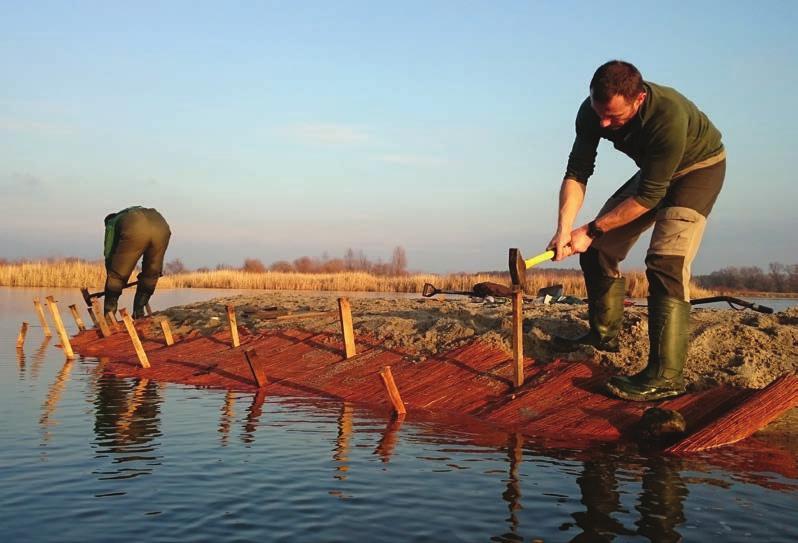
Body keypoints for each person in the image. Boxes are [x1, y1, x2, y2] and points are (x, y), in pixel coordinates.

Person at [547, 60, 725, 401]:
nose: (604, 123)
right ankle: (603, 335)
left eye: (614, 117)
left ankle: (665, 377)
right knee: (597, 251)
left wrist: (593, 228)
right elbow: (577, 172)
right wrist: (566, 228)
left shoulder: (667, 116)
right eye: (600, 113)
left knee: (664, 263)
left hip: (698, 170)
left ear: (639, 99)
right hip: (655, 174)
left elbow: (648, 198)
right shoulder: (591, 112)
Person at [103, 206, 171, 318]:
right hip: (161, 227)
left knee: (117, 276)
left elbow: (109, 251)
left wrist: (111, 274)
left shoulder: (111, 223)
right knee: (151, 273)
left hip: (136, 227)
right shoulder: (127, 214)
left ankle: (109, 318)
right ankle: (138, 312)